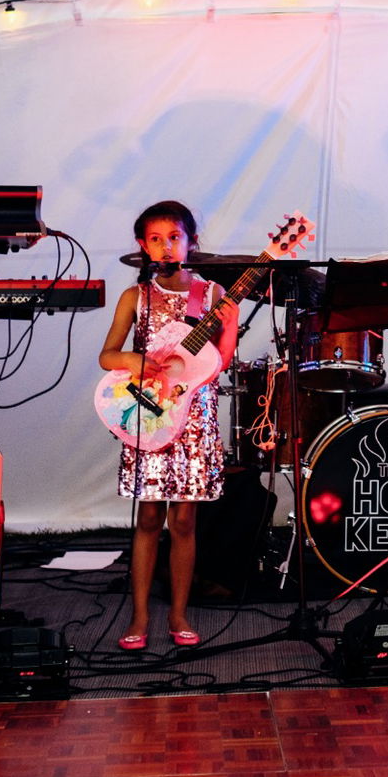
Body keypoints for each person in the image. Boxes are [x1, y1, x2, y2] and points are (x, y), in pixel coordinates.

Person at [97, 200, 237, 652]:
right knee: (149, 517)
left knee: (184, 520)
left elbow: (219, 362)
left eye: (174, 237)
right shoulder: (136, 297)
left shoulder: (212, 295)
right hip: (151, 416)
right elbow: (107, 356)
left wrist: (229, 325)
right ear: (143, 246)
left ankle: (178, 613)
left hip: (194, 417)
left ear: (191, 242)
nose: (166, 246)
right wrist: (138, 360)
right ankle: (139, 615)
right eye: (156, 239)